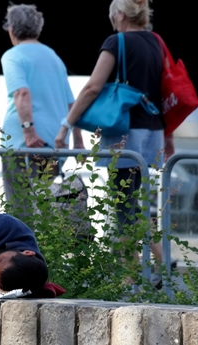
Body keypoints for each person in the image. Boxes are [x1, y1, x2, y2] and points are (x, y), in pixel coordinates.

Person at [54, 0, 172, 287]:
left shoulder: (116, 41)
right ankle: (148, 267)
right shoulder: (156, 42)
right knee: (133, 204)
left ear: (119, 15)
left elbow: (94, 86)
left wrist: (66, 125)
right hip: (152, 132)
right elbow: (166, 92)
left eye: (112, 17)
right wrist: (169, 138)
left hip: (125, 135)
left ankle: (146, 270)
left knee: (124, 206)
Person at [0, 3, 84, 216]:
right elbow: (71, 104)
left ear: (11, 30)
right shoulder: (54, 57)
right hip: (54, 144)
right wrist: (78, 141)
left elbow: (21, 93)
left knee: (20, 210)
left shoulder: (13, 55)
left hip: (24, 145)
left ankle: (23, 249)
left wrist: (29, 132)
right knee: (48, 208)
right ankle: (44, 248)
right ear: (37, 29)